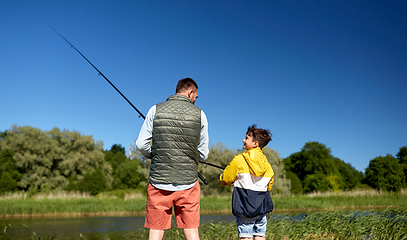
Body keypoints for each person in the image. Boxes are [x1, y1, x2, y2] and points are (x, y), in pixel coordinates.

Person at [136, 78, 209, 240]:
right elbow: (203, 154)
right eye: (196, 97)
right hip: (188, 183)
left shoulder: (155, 109)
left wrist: (154, 155)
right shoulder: (201, 115)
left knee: (156, 230)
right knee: (191, 231)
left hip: (158, 181)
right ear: (190, 92)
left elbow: (141, 144)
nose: (195, 101)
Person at [220, 124, 274, 240]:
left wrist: (227, 181)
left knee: (245, 236)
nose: (243, 140)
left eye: (247, 137)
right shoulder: (267, 164)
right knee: (260, 235)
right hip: (261, 208)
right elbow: (269, 184)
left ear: (256, 144)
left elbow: (226, 178)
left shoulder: (239, 159)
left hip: (244, 206)